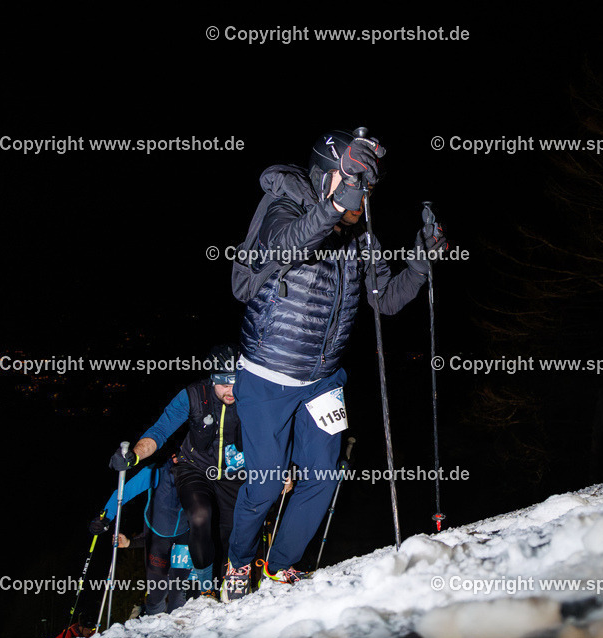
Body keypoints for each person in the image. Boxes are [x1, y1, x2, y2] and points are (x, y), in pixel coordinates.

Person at [223, 130, 446, 600]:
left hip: (322, 380)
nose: (361, 199)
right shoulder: (285, 205)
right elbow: (284, 248)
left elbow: (384, 300)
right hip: (267, 376)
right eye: (353, 185)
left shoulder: (360, 234)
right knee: (264, 487)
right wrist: (331, 206)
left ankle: (278, 566)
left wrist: (422, 262)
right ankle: (239, 561)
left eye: (365, 189)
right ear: (328, 177)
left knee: (322, 478)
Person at [111, 344, 245, 597]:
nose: (232, 391)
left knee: (229, 532)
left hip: (234, 475)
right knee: (200, 516)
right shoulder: (193, 395)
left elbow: (274, 435)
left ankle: (228, 579)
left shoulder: (253, 396)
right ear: (212, 379)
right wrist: (134, 455)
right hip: (194, 468)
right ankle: (206, 586)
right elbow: (160, 431)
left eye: (236, 383)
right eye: (224, 384)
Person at [91, 454, 192, 613]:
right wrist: (104, 518)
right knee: (157, 593)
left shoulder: (199, 471)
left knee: (178, 593)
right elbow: (125, 492)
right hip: (157, 535)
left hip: (185, 534)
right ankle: (150, 619)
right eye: (177, 455)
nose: (180, 459)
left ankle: (177, 633)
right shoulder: (155, 472)